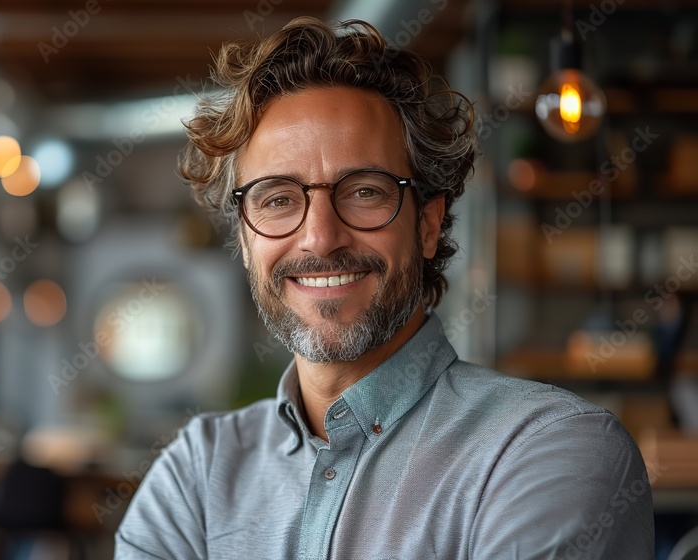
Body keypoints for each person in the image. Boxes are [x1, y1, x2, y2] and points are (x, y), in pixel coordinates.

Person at [115, 16, 654, 559]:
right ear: (245, 236)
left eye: (365, 192)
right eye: (277, 198)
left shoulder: (549, 451)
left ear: (426, 224)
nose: (320, 239)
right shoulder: (196, 474)